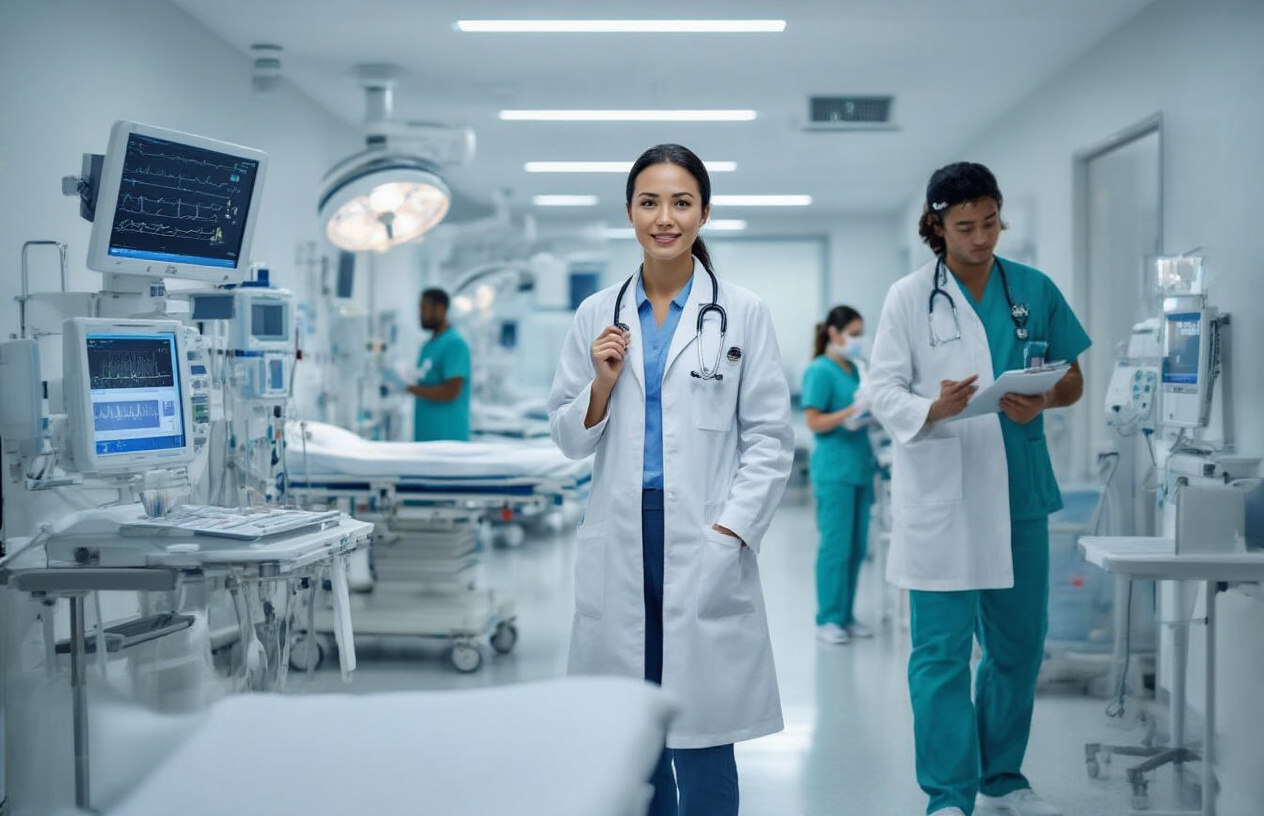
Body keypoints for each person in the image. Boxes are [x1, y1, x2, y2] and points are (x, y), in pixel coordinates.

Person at [547, 143, 794, 816]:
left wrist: (732, 530)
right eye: (649, 202)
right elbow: (568, 437)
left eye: (681, 202)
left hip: (705, 533)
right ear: (629, 211)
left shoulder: (742, 311)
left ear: (704, 213)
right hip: (623, 535)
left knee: (705, 733)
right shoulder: (596, 314)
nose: (665, 218)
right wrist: (601, 385)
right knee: (635, 728)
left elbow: (770, 438)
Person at [866, 162, 1090, 816]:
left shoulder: (1033, 288)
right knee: (940, 654)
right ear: (936, 226)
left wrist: (1045, 397)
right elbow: (882, 390)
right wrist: (932, 408)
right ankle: (947, 795)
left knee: (1017, 648)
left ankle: (1003, 778)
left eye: (990, 222)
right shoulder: (908, 297)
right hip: (946, 493)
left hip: (1020, 492)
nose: (982, 237)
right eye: (965, 227)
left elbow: (1073, 379)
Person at [802, 305, 877, 645]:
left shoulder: (856, 369)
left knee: (857, 547)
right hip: (834, 470)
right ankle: (828, 618)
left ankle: (846, 616)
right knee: (835, 547)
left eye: (861, 333)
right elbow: (814, 421)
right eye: (854, 333)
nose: (859, 340)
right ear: (834, 333)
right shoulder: (820, 370)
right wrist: (849, 413)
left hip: (860, 465)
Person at [408, 288, 471, 441]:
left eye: (424, 309)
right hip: (427, 436)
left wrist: (409, 389)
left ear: (440, 309)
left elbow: (451, 391)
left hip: (448, 438)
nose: (420, 314)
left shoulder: (454, 344)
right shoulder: (428, 346)